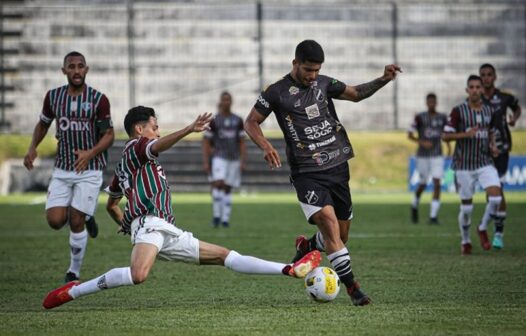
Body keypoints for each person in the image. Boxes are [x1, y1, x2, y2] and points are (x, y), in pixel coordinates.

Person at [42, 106, 320, 310]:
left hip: (165, 230)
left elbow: (112, 203)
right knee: (138, 275)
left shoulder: (128, 165)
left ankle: (290, 269)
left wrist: (126, 224)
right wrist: (188, 129)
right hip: (152, 223)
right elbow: (156, 148)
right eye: (154, 126)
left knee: (226, 256)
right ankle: (75, 291)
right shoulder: (137, 147)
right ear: (140, 130)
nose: (157, 131)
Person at [244, 40, 401, 306]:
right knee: (329, 223)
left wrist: (384, 79)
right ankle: (354, 289)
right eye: (308, 69)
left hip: (338, 167)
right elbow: (251, 121)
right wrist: (266, 145)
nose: (312, 75)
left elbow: (355, 93)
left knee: (340, 235)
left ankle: (308, 246)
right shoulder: (276, 92)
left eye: (316, 70)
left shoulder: (325, 83)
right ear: (295, 63)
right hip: (306, 171)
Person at [23, 51, 114, 282]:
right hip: (62, 169)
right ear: (64, 70)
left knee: (75, 221)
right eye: (71, 66)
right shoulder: (53, 97)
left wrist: (90, 153)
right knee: (55, 221)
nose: (76, 70)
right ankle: (87, 214)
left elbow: (109, 135)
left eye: (80, 66)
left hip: (90, 169)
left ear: (86, 69)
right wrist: (33, 147)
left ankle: (73, 271)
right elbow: (43, 124)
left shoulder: (98, 99)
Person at [442, 75, 502, 255]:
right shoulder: (458, 111)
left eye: (478, 87)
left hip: (484, 162)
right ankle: (466, 240)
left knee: (496, 199)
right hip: (464, 165)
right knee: (466, 208)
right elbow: (445, 136)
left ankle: (482, 227)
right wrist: (465, 134)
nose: (475, 90)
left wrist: (493, 146)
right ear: (467, 90)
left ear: (482, 90)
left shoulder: (490, 110)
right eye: (472, 87)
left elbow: (491, 131)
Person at [478, 63, 522, 249]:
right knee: (491, 192)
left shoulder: (504, 98)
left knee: (499, 189)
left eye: (489, 74)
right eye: (483, 75)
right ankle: (490, 228)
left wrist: (514, 117)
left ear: (494, 77)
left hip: (502, 148)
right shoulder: (475, 98)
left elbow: (516, 107)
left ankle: (498, 233)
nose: (487, 78)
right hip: (482, 150)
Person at [202, 91, 246, 228]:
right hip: (219, 157)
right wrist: (206, 160)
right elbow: (206, 141)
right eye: (224, 100)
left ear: (231, 102)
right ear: (221, 102)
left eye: (228, 100)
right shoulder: (214, 120)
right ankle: (216, 216)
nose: (226, 102)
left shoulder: (238, 120)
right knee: (218, 183)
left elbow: (242, 141)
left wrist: (243, 160)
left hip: (234, 158)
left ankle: (225, 219)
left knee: (227, 187)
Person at [408, 93, 450, 224]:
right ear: (426, 103)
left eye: (433, 102)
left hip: (437, 155)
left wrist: (449, 147)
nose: (431, 104)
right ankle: (414, 204)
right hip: (423, 156)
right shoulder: (420, 117)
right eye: (429, 102)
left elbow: (446, 133)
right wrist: (422, 142)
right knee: (423, 184)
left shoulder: (443, 117)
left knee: (437, 183)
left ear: (436, 103)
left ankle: (433, 216)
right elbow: (409, 134)